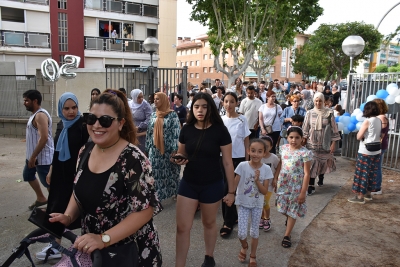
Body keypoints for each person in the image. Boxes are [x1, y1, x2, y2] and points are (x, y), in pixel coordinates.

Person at [49, 89, 162, 266]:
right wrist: (68, 216)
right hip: (94, 250)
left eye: (105, 120)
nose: (96, 125)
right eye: (91, 118)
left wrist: (104, 238)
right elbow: (78, 190)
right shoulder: (85, 151)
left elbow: (145, 210)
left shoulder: (133, 159)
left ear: (120, 123)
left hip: (130, 251)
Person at [172, 92, 235, 267]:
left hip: (212, 184)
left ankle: (209, 257)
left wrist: (231, 191)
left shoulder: (220, 130)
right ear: (192, 108)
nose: (200, 110)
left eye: (204, 106)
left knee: (209, 222)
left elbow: (228, 163)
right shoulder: (186, 129)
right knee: (182, 227)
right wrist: (177, 158)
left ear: (211, 108)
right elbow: (181, 153)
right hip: (189, 184)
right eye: (196, 106)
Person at [36, 92, 89, 260]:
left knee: (81, 210)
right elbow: (57, 150)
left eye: (74, 107)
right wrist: (52, 170)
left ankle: (86, 247)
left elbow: (88, 151)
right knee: (55, 207)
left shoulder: (83, 125)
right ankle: (55, 246)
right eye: (66, 108)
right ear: (61, 109)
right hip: (60, 173)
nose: (71, 112)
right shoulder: (61, 125)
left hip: (75, 174)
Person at [272, 126, 312, 248]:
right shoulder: (283, 148)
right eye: (291, 137)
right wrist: (275, 177)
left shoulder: (305, 153)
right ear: (287, 137)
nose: (293, 140)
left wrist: (303, 192)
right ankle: (289, 218)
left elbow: (307, 173)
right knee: (281, 207)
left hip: (297, 185)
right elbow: (280, 163)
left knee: (293, 209)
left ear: (302, 139)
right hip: (283, 182)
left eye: (297, 138)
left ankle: (287, 235)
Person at [235, 139, 273, 267]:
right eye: (253, 151)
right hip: (243, 203)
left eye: (260, 151)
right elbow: (235, 182)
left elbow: (264, 191)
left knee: (254, 232)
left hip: (257, 204)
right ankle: (244, 246)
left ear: (264, 153)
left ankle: (253, 255)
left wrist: (257, 180)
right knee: (241, 232)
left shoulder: (267, 169)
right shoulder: (242, 166)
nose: (256, 154)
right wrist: (229, 194)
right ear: (248, 151)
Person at [220, 92, 251, 238]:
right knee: (224, 189)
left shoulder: (242, 119)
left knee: (231, 189)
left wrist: (247, 159)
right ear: (222, 103)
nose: (228, 104)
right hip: (222, 158)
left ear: (236, 103)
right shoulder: (220, 120)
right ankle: (231, 218)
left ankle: (228, 222)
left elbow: (246, 140)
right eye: (226, 101)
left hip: (237, 158)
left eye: (232, 101)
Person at [302, 92, 340, 195]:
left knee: (323, 163)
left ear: (323, 101)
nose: (318, 103)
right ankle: (311, 185)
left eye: (320, 101)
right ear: (314, 101)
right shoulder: (309, 113)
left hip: (325, 143)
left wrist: (333, 143)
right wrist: (303, 141)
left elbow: (334, 128)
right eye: (316, 101)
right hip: (312, 143)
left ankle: (321, 177)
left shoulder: (329, 113)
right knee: (313, 163)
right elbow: (305, 128)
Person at [145, 92, 181, 201]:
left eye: (158, 99)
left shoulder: (172, 115)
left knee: (171, 173)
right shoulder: (153, 115)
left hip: (168, 150)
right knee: (155, 173)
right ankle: (158, 197)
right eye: (154, 99)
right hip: (154, 150)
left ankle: (176, 192)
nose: (155, 101)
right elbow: (149, 132)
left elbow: (176, 132)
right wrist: (147, 148)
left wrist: (175, 149)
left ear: (164, 100)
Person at [22, 90, 54, 210]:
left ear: (35, 101)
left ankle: (56, 205)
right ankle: (41, 198)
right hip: (32, 156)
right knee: (28, 175)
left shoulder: (40, 115)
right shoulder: (34, 114)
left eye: (27, 100)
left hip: (42, 158)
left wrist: (33, 156)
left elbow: (44, 137)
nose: (24, 103)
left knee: (48, 183)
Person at [348, 101, 382, 204]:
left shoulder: (367, 121)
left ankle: (360, 197)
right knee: (372, 173)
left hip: (365, 151)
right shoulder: (379, 120)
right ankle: (368, 194)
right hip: (376, 150)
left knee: (362, 173)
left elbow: (359, 136)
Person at [259, 136, 280, 232]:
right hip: (258, 185)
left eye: (267, 146)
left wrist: (276, 179)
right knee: (259, 202)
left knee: (265, 202)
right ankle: (262, 218)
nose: (264, 148)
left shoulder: (274, 158)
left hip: (269, 185)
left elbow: (278, 167)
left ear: (271, 147)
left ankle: (267, 219)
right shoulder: (257, 156)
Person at [372, 99, 389, 196]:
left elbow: (381, 134)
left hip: (379, 146)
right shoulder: (381, 117)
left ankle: (377, 187)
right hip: (380, 145)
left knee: (377, 167)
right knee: (376, 166)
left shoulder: (381, 118)